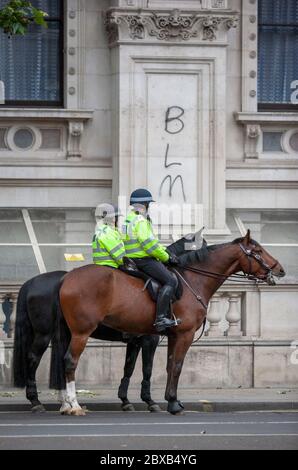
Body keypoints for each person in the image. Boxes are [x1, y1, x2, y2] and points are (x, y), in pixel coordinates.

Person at [123, 188, 181, 332]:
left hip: (131, 260)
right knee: (171, 281)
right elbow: (148, 244)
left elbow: (153, 242)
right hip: (143, 260)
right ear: (144, 204)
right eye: (148, 204)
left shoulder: (127, 219)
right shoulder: (140, 220)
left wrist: (165, 250)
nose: (149, 206)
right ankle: (161, 318)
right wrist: (167, 258)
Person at [92, 203, 126, 268]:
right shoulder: (108, 232)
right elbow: (120, 256)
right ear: (113, 218)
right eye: (117, 217)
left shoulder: (100, 231)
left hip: (99, 266)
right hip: (111, 266)